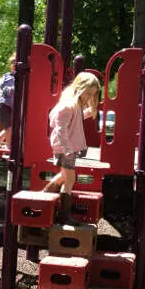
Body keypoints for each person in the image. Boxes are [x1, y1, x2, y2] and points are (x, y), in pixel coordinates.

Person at [42, 72, 101, 215]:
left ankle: (44, 196)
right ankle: (64, 214)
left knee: (64, 175)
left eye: (92, 95)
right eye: (88, 94)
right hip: (64, 148)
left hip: (66, 147)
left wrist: (88, 112)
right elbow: (60, 129)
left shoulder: (74, 105)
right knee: (70, 179)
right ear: (79, 89)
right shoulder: (68, 106)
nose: (89, 97)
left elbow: (75, 119)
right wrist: (67, 149)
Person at [0, 53, 16, 148]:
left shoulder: (23, 78)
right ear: (12, 67)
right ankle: (9, 148)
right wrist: (13, 89)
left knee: (10, 128)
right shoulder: (8, 77)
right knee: (9, 128)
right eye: (14, 66)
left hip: (12, 107)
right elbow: (4, 87)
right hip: (4, 107)